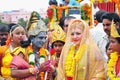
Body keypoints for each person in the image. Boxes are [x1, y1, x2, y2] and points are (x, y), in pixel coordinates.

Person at [10, 11, 56, 80]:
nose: (43, 41)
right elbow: (13, 73)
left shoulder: (46, 53)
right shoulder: (22, 51)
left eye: (45, 38)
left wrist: (53, 71)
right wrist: (36, 70)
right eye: (40, 38)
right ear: (32, 37)